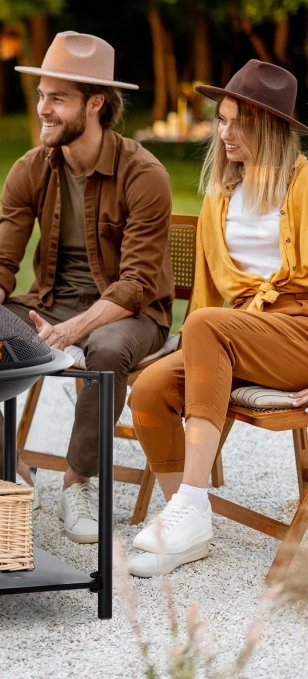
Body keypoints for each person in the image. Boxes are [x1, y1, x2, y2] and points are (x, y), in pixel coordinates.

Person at [0, 31, 173, 542]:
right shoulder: (31, 169)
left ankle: (79, 481)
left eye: (57, 97)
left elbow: (136, 283)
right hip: (50, 303)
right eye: (41, 95)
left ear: (95, 102)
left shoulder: (144, 174)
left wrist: (70, 330)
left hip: (132, 314)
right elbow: (1, 262)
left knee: (106, 349)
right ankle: (11, 471)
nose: (43, 109)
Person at [128, 60, 308, 577]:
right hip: (241, 333)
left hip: (298, 335)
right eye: (221, 119)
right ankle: (188, 520)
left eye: (237, 122)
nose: (223, 132)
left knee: (208, 326)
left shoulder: (303, 185)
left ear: (269, 128)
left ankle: (189, 499)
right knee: (148, 390)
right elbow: (207, 296)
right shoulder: (220, 195)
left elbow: (209, 320)